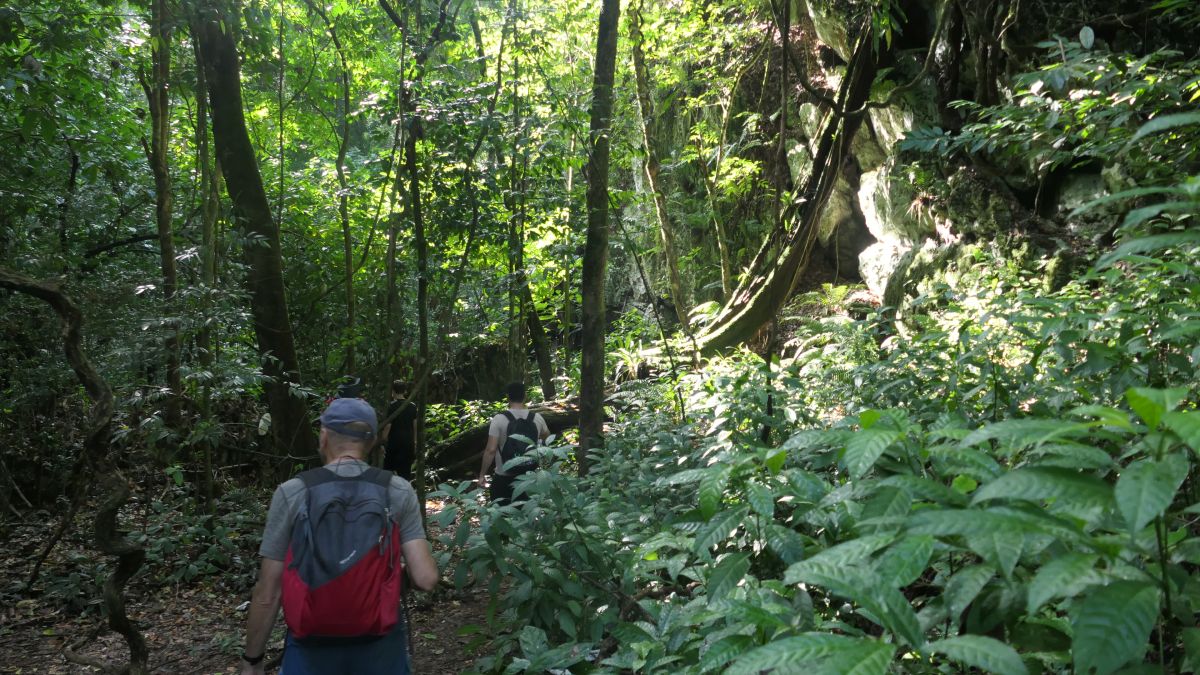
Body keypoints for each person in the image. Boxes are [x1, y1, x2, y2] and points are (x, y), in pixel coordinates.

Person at [238, 398, 438, 675]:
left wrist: (252, 661)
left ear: (323, 437)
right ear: (372, 442)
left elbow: (268, 591)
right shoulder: (397, 490)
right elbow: (426, 579)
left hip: (310, 648)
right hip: (380, 648)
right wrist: (392, 576)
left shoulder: (292, 492)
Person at [477, 382, 549, 505]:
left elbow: (491, 450)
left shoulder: (499, 419)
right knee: (526, 519)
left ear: (507, 397)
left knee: (502, 518)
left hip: (503, 477)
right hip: (529, 477)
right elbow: (546, 436)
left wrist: (482, 475)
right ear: (525, 396)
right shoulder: (537, 418)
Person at [381, 380, 418, 481]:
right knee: (405, 473)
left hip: (394, 444)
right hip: (408, 443)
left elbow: (388, 427)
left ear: (392, 391)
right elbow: (415, 426)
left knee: (388, 472)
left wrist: (382, 442)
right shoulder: (412, 406)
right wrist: (414, 443)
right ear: (405, 391)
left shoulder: (391, 406)